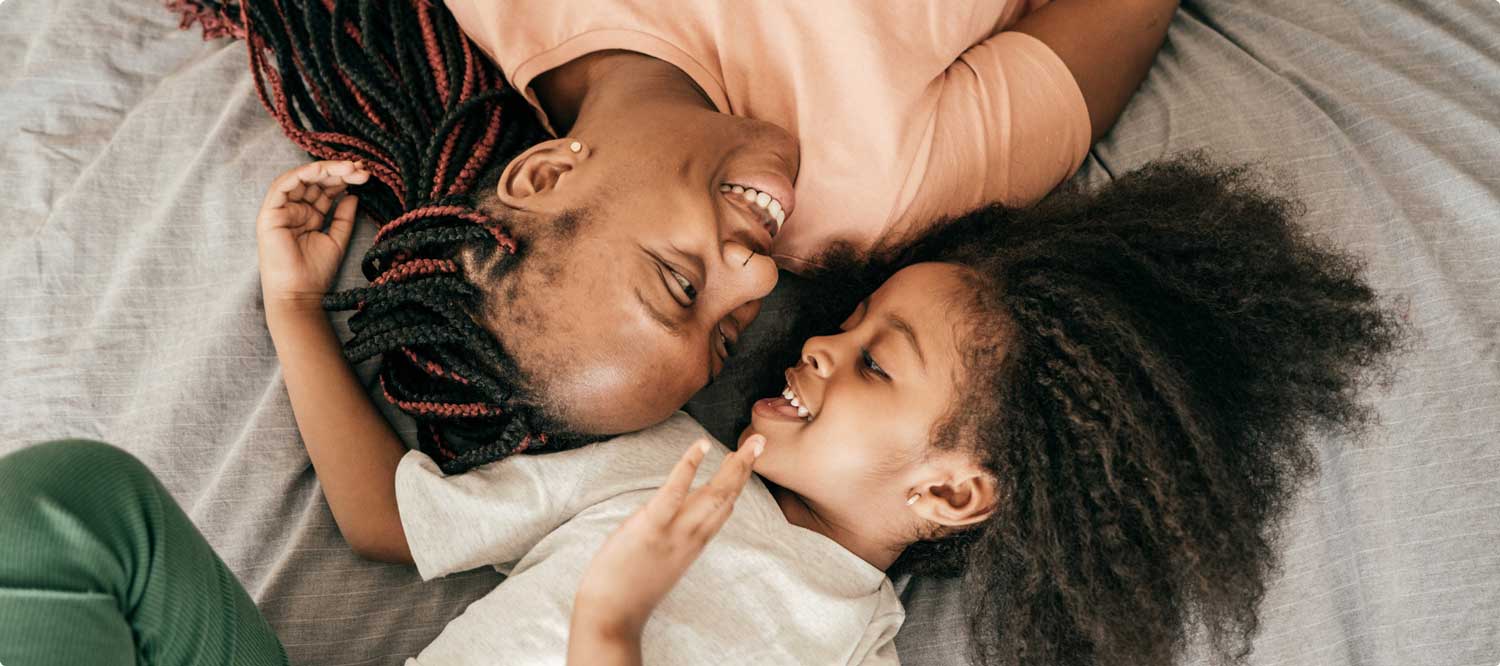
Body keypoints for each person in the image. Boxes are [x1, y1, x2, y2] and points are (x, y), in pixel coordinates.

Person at [0, 155, 1402, 665]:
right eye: (848, 325)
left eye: (876, 364)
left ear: (954, 489)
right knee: (82, 497)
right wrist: (297, 304)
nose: (818, 350)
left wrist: (612, 625)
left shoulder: (846, 656)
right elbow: (385, 516)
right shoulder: (671, 459)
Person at [170, 0, 1178, 472]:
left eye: (677, 281)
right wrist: (292, 310)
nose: (750, 274)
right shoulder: (883, 190)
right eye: (731, 333)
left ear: (547, 174)